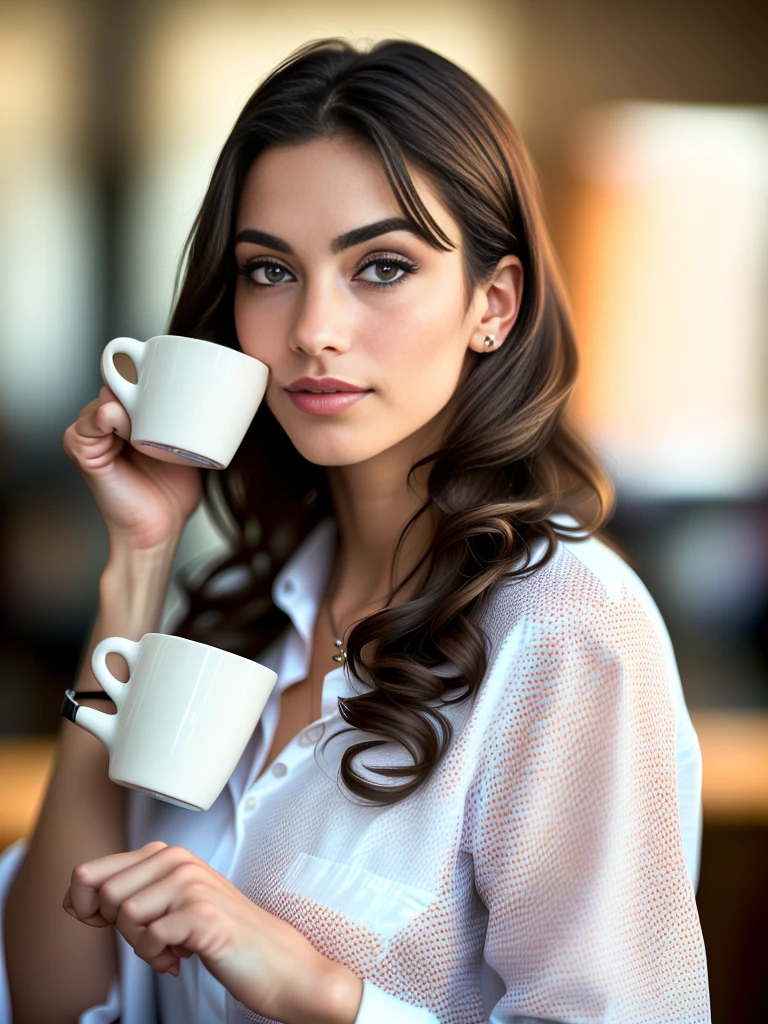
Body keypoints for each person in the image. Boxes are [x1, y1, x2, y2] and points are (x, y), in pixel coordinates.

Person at [1, 37, 709, 1024]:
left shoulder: (566, 625)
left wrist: (317, 986)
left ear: (493, 305)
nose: (313, 329)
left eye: (381, 266)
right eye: (269, 270)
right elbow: (50, 996)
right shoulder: (233, 613)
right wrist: (139, 564)